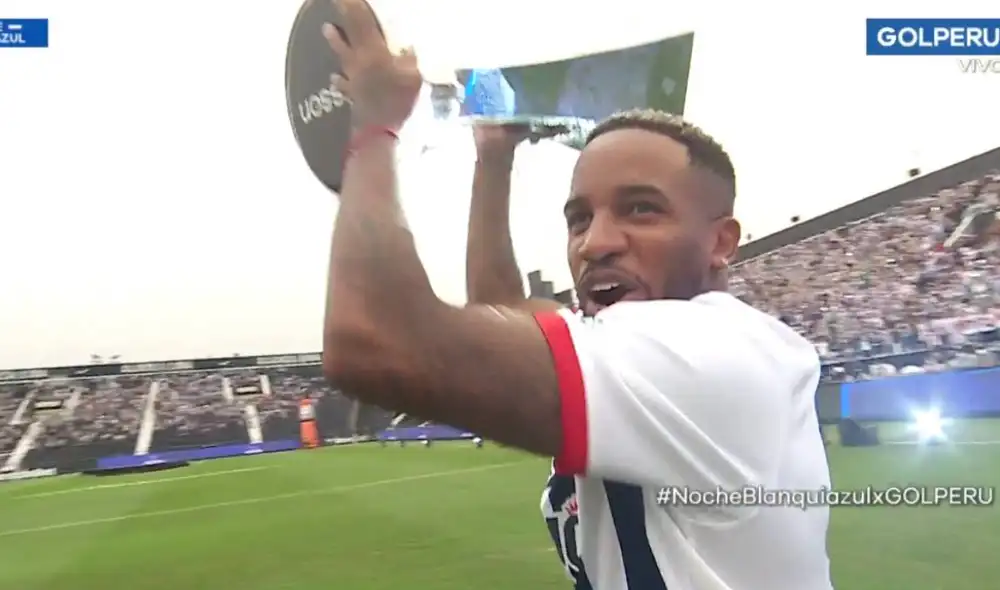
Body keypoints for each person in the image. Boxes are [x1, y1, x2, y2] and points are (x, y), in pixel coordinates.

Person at [319, 1, 834, 588]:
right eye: (579, 218)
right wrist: (495, 156)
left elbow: (377, 339)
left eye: (641, 210)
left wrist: (374, 129)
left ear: (721, 241)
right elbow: (504, 316)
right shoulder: (657, 346)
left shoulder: (717, 350)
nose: (596, 243)